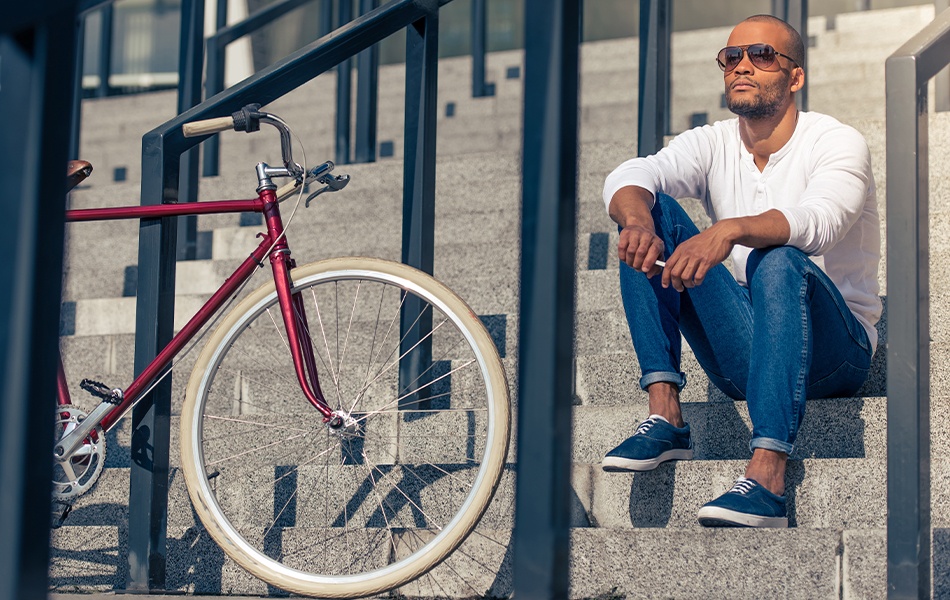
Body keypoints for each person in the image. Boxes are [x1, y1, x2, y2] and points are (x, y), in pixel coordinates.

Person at [600, 14, 880, 528]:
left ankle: (769, 474)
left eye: (762, 55)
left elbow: (818, 223)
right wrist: (637, 220)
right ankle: (664, 414)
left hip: (836, 354)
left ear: (795, 76)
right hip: (748, 351)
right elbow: (634, 172)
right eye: (731, 57)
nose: (742, 66)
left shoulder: (837, 142)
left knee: (776, 259)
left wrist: (728, 229)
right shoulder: (713, 142)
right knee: (649, 214)